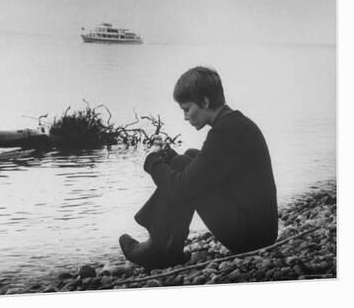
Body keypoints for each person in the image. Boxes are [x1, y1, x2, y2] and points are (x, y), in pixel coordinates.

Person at [119, 66, 278, 270]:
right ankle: (169, 249)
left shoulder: (225, 133)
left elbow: (183, 188)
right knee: (191, 156)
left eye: (187, 109)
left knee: (182, 170)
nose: (185, 117)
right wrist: (166, 154)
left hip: (251, 239)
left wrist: (152, 162)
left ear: (204, 101)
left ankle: (158, 247)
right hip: (258, 230)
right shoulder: (235, 124)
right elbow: (208, 170)